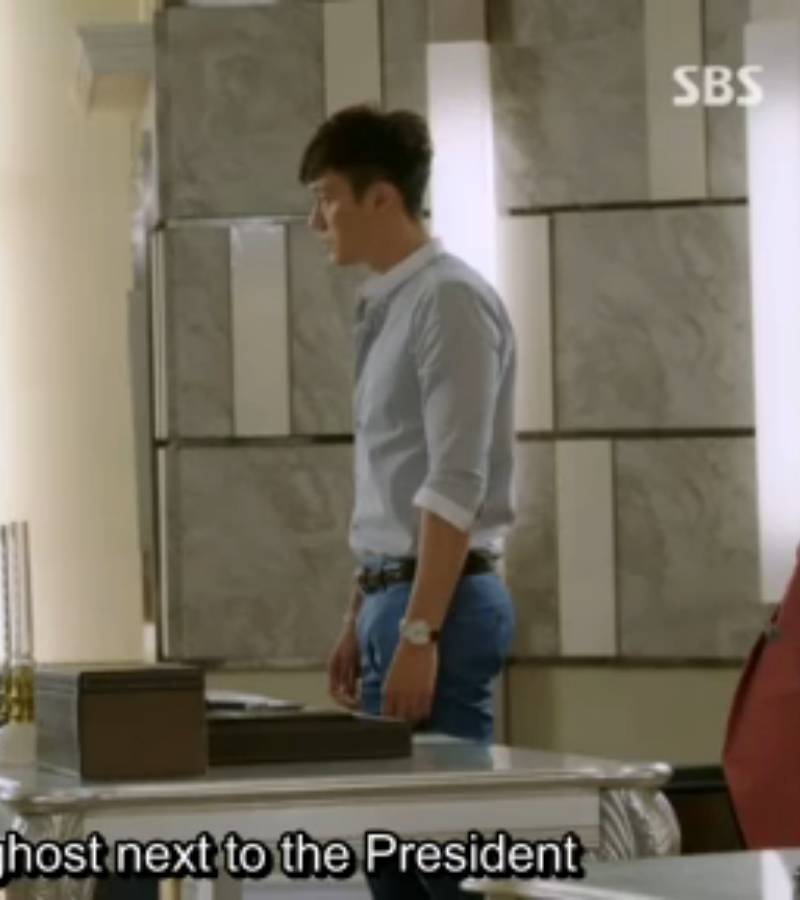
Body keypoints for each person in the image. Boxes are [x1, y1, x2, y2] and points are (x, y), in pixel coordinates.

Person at [301, 106, 518, 900]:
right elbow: (393, 475)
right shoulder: (387, 305)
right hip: (396, 601)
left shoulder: (449, 301)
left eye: (327, 197)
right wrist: (360, 609)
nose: (317, 220)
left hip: (442, 608)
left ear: (382, 197)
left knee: (443, 870)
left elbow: (454, 481)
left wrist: (419, 630)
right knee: (394, 872)